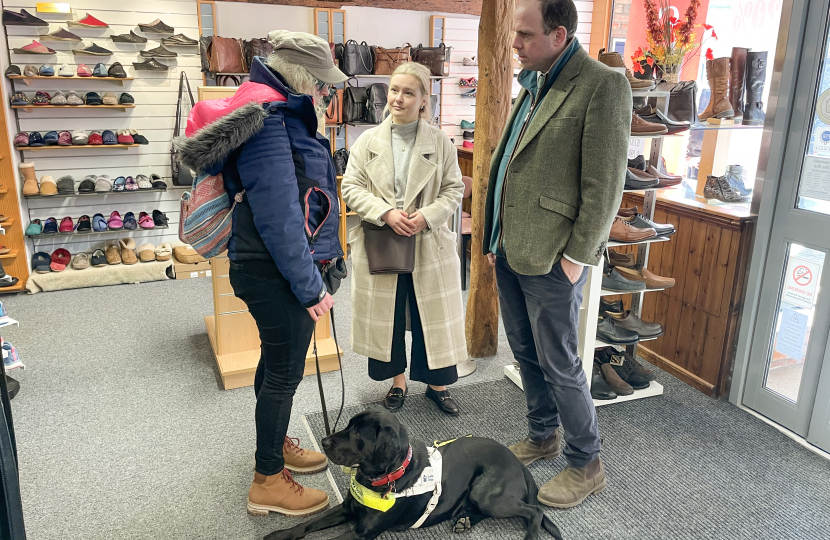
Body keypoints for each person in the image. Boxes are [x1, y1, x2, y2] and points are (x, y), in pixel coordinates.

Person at [176, 31, 347, 517]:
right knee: (284, 375)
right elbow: (279, 218)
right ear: (296, 73)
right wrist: (310, 286)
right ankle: (268, 480)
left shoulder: (274, 113)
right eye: (319, 81)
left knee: (275, 365)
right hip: (276, 272)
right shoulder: (269, 122)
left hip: (272, 269)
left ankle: (277, 449)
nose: (323, 91)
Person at [483, 0, 631, 508]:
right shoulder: (533, 81)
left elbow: (605, 185)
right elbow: (511, 166)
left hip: (553, 256)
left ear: (559, 34)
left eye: (524, 35)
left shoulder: (601, 85)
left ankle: (586, 464)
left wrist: (577, 258)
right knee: (524, 352)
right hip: (511, 247)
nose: (515, 44)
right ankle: (542, 433)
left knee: (560, 362)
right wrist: (493, 236)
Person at [342, 62, 467, 416]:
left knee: (432, 315)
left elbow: (453, 189)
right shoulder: (368, 141)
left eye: (408, 92)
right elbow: (350, 186)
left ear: (424, 100)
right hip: (383, 239)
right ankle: (398, 383)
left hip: (428, 242)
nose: (398, 98)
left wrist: (426, 216)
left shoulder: (440, 142)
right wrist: (385, 212)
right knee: (389, 316)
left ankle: (437, 386)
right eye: (394, 90)